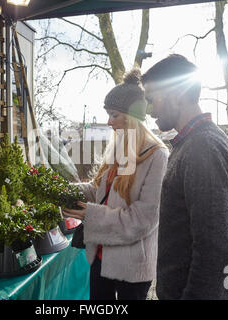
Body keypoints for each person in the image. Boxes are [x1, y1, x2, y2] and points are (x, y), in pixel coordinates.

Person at [141, 54, 228, 300]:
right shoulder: (194, 143)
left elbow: (214, 251)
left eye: (151, 98)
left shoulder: (202, 148)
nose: (148, 109)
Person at [63, 69, 169, 300]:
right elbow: (98, 191)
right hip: (100, 258)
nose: (109, 122)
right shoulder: (118, 147)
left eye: (114, 115)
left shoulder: (157, 155)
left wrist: (91, 215)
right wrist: (63, 190)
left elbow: (143, 220)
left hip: (132, 267)